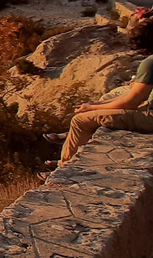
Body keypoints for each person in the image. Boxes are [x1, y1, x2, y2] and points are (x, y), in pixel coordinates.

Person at [54, 14, 153, 168]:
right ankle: (72, 149)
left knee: (80, 121)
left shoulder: (150, 63)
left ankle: (63, 167)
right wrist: (94, 105)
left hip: (150, 117)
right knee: (104, 103)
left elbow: (132, 101)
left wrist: (91, 108)